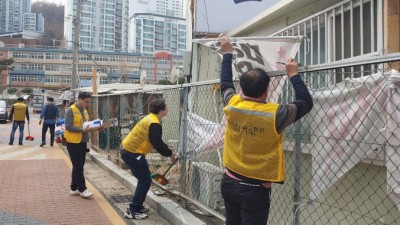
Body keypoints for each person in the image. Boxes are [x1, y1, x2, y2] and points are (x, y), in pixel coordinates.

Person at [219, 37, 313, 225]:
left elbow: (226, 84)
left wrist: (227, 54)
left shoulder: (232, 105)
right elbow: (305, 102)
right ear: (266, 91)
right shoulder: (276, 114)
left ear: (242, 89)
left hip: (229, 181)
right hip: (254, 189)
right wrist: (293, 74)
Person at [120, 98, 178, 220]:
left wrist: (169, 152)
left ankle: (137, 206)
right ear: (162, 110)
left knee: (145, 179)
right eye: (166, 107)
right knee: (145, 180)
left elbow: (157, 142)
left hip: (131, 151)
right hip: (132, 153)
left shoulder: (150, 118)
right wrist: (171, 154)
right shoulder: (154, 123)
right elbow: (157, 143)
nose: (167, 108)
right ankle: (132, 210)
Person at [64, 92, 102, 198]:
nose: (87, 104)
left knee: (78, 165)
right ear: (79, 99)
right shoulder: (70, 110)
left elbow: (87, 125)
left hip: (83, 141)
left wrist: (96, 127)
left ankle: (74, 188)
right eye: (86, 102)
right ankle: (82, 189)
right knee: (78, 166)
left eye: (89, 102)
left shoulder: (84, 111)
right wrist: (82, 130)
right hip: (73, 142)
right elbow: (68, 126)